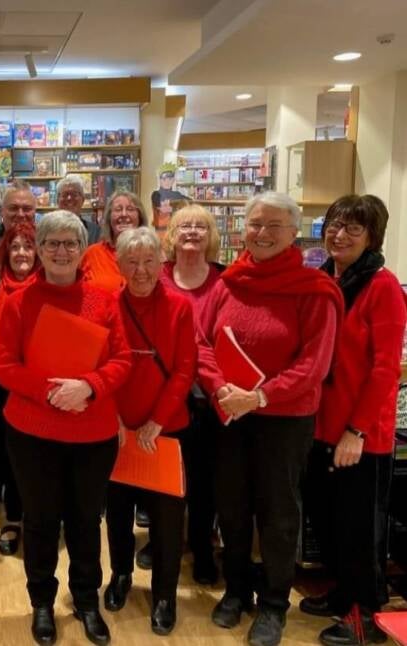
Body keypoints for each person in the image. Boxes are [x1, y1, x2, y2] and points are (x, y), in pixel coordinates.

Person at [197, 192, 343, 646]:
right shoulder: (228, 283)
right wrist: (220, 387)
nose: (261, 233)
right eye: (255, 224)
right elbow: (201, 342)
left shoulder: (314, 290)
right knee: (232, 506)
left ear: (294, 232)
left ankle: (275, 604)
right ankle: (237, 589)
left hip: (283, 420)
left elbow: (314, 365)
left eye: (273, 226)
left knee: (278, 513)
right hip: (229, 414)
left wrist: (259, 396)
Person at [0, 210, 132, 646]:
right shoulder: (19, 300)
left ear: (82, 249)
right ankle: (41, 602)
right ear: (38, 249)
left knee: (86, 521)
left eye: (71, 243)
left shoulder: (104, 300)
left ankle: (87, 601)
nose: (61, 251)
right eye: (51, 243)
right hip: (33, 432)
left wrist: (89, 387)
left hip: (92, 433)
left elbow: (122, 360)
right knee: (40, 521)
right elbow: (2, 365)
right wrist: (52, 392)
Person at [301, 195, 407, 646]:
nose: (339, 235)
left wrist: (356, 430)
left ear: (372, 237)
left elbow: (385, 369)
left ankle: (365, 617)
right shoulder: (324, 278)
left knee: (360, 530)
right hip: (320, 425)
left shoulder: (383, 286)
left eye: (353, 229)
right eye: (335, 225)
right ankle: (343, 593)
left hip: (360, 434)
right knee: (328, 521)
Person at [104, 227, 196, 636]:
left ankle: (164, 595)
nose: (140, 270)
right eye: (132, 262)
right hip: (117, 429)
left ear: (162, 263)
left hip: (167, 429)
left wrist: (157, 420)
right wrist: (115, 418)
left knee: (167, 521)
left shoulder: (180, 307)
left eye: (148, 261)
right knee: (117, 513)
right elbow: (98, 363)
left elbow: (185, 369)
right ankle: (120, 573)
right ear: (119, 265)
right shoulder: (108, 305)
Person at [154, 203, 225, 584]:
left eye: (201, 226)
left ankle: (201, 547)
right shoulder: (157, 276)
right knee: (162, 477)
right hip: (164, 394)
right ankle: (162, 542)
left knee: (204, 480)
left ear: (211, 236)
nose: (192, 232)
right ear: (171, 235)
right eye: (184, 226)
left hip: (210, 396)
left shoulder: (225, 281)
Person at [0, 222, 40, 555]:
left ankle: (39, 519)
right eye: (15, 247)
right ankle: (13, 518)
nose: (21, 253)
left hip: (38, 387)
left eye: (28, 246)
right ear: (4, 252)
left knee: (37, 456)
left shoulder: (48, 290)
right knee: (5, 452)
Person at [80, 190, 147, 292]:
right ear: (109, 218)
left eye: (130, 209)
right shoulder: (92, 254)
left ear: (140, 217)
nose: (124, 214)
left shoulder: (152, 254)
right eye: (118, 209)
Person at [56, 175, 100, 245]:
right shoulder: (48, 229)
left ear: (83, 199)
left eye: (74, 194)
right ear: (57, 200)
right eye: (65, 195)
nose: (69, 198)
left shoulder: (95, 232)